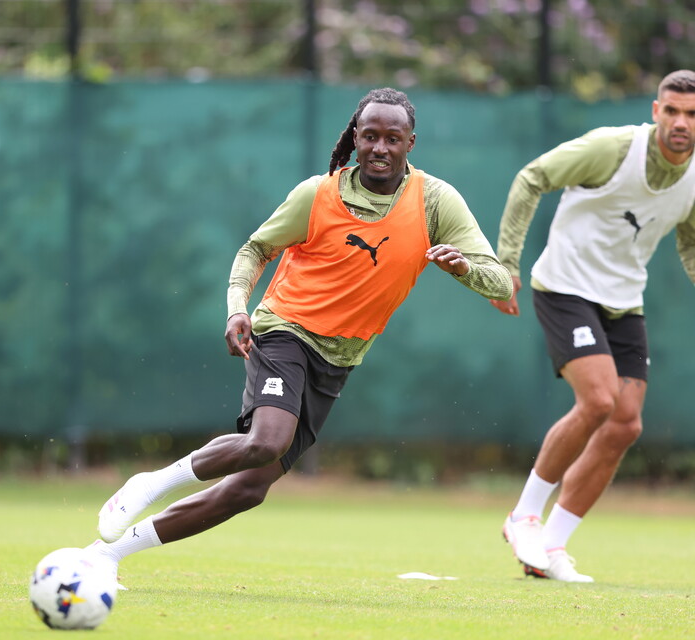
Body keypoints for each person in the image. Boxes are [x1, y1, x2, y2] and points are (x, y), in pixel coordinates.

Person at [86, 87, 513, 585]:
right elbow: (254, 249)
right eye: (370, 136)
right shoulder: (317, 194)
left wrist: (464, 269)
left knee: (247, 490)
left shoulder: (436, 201)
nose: (379, 147)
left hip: (339, 360)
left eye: (392, 138)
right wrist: (236, 309)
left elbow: (500, 282)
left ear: (410, 143)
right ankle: (152, 483)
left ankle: (104, 556)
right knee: (267, 441)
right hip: (285, 331)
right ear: (355, 137)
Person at [493, 70, 695, 582]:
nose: (681, 122)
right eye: (672, 111)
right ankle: (523, 516)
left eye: (692, 114)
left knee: (626, 423)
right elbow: (532, 177)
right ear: (656, 111)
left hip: (624, 301)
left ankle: (551, 546)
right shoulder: (612, 149)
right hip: (565, 288)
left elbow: (690, 244)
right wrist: (506, 263)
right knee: (600, 400)